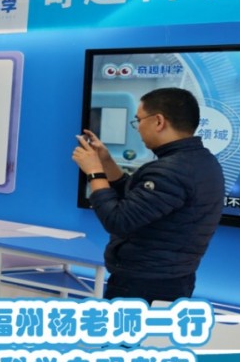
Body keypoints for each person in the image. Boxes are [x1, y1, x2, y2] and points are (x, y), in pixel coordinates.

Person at [72, 87, 224, 303]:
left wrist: (94, 172)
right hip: (170, 278)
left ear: (159, 121)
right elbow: (135, 198)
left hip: (144, 284)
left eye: (139, 120)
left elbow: (118, 220)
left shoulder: (172, 170)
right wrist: (105, 161)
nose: (138, 128)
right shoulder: (201, 160)